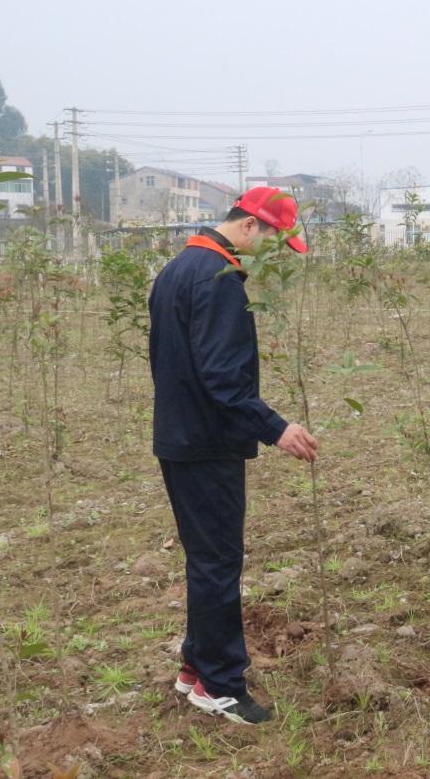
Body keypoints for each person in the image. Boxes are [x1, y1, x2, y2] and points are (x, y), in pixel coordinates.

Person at [149, 186, 319, 724]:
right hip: (208, 443)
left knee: (206, 558)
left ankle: (195, 666)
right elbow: (223, 376)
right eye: (275, 243)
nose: (271, 256)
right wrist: (276, 428)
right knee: (219, 562)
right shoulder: (221, 280)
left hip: (179, 436)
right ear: (251, 226)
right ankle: (220, 685)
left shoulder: (178, 267)